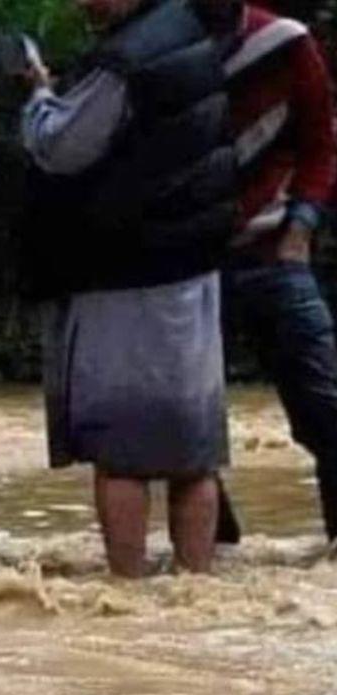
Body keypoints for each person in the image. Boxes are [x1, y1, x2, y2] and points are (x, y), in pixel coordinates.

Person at [21, 0, 237, 576]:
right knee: (194, 457)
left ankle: (129, 592)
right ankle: (197, 584)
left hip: (126, 275)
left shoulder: (128, 59)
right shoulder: (191, 30)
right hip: (192, 269)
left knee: (123, 457)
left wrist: (41, 95)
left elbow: (60, 148)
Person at [215, 1, 337, 544]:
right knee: (178, 426)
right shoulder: (154, 48)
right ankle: (213, 560)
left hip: (274, 249)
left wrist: (302, 226)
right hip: (186, 260)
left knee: (326, 404)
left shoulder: (285, 43)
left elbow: (322, 144)